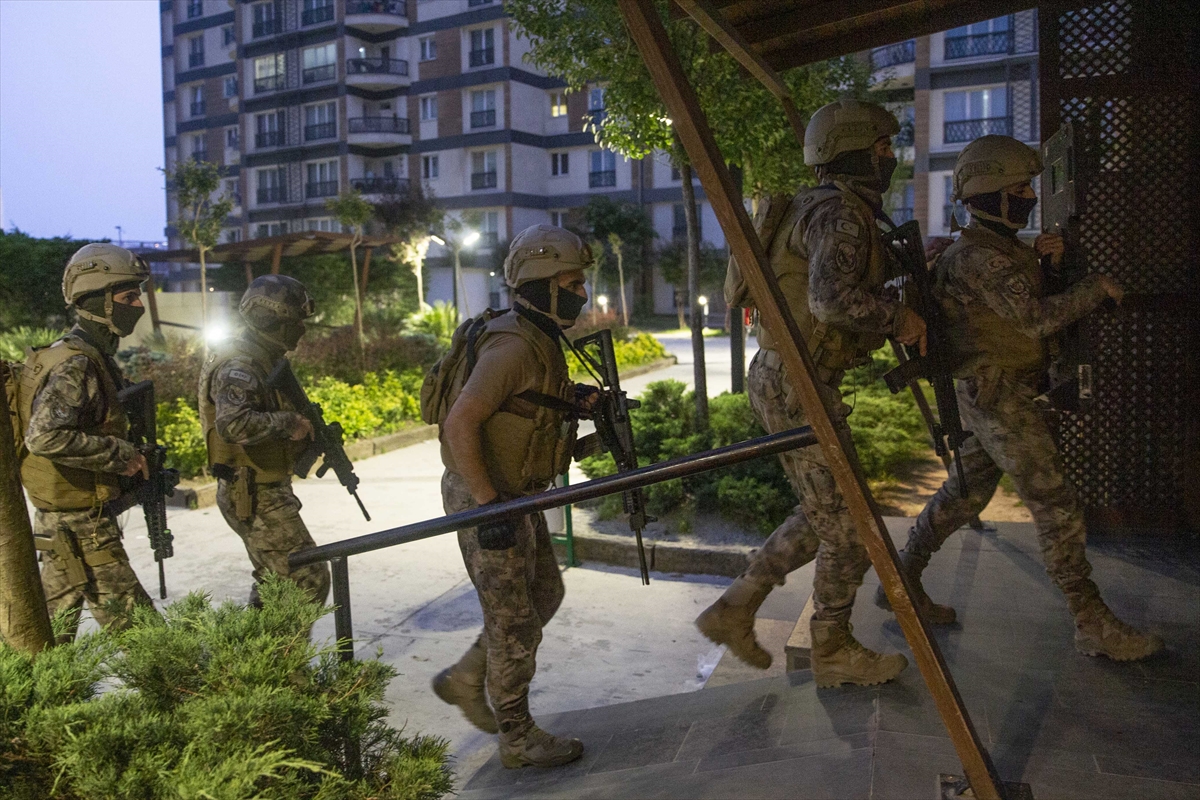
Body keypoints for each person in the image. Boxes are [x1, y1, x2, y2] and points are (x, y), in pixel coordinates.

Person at [875, 135, 1162, 661]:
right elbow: (1034, 321)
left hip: (994, 391)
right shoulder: (980, 258)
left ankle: (901, 578)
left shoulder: (999, 250)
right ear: (992, 196)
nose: (1030, 196)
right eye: (1020, 189)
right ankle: (1090, 620)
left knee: (964, 494)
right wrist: (1095, 287)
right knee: (1055, 501)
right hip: (997, 394)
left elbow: (1020, 306)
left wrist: (1049, 266)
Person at [697, 100, 923, 687]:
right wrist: (899, 318)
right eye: (881, 148)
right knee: (849, 526)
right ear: (852, 149)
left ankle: (735, 608)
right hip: (799, 382)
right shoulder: (841, 213)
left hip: (785, 376)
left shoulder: (813, 205)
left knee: (825, 511)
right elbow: (828, 300)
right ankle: (832, 648)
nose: (890, 157)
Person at [430, 224, 596, 768]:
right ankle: (517, 737)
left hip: (513, 494)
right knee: (514, 622)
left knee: (543, 594)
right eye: (571, 283)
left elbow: (527, 404)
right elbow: (460, 424)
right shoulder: (513, 346)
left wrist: (578, 401)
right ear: (542, 283)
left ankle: (466, 677)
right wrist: (488, 507)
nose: (581, 293)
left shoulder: (537, 335)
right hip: (487, 496)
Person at [18, 243, 155, 643]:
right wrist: (122, 455)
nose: (139, 305)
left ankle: (30, 683)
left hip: (65, 517)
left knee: (46, 638)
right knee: (146, 639)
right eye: (129, 297)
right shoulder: (76, 363)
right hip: (81, 523)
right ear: (100, 302)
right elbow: (44, 436)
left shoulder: (86, 354)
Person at [198, 275, 330, 609]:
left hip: (261, 487)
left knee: (274, 583)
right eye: (295, 320)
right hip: (253, 493)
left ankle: (260, 644)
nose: (301, 328)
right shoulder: (240, 364)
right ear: (271, 319)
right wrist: (289, 423)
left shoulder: (262, 356)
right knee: (307, 578)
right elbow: (233, 424)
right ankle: (278, 645)